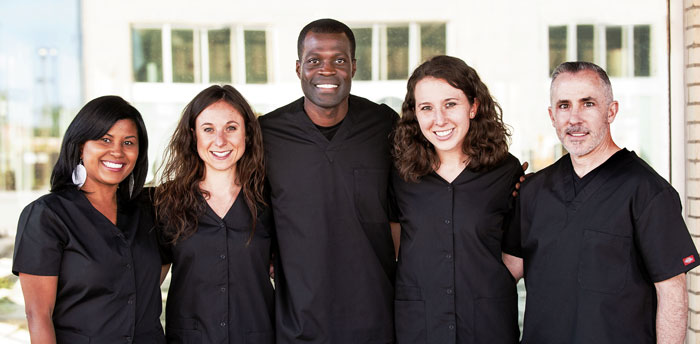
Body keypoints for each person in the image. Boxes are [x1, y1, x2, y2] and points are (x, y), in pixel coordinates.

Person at [503, 61, 699, 343]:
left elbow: (672, 295)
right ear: (551, 115)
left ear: (612, 111)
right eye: (564, 106)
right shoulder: (533, 190)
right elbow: (505, 274)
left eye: (588, 103)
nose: (574, 118)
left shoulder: (648, 192)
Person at [259, 19, 398, 343]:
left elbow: (423, 193)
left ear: (353, 66)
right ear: (298, 68)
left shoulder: (385, 127)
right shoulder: (267, 134)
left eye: (338, 59)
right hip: (298, 326)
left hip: (375, 323)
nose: (326, 70)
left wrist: (501, 177)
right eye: (314, 60)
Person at [12, 96, 165, 343]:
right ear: (81, 145)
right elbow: (38, 315)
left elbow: (145, 288)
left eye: (128, 142)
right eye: (105, 139)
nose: (117, 151)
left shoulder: (150, 211)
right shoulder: (47, 216)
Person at [391, 55, 522, 343]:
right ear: (415, 114)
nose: (440, 119)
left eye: (451, 104)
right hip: (420, 328)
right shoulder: (399, 174)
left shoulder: (507, 171)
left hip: (488, 327)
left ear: (473, 107)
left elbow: (516, 254)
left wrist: (485, 285)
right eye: (427, 108)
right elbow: (395, 246)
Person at [153, 85, 274, 343]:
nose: (220, 140)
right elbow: (147, 287)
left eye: (231, 128)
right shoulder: (166, 201)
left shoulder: (271, 200)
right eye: (208, 129)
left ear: (248, 135)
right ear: (193, 135)